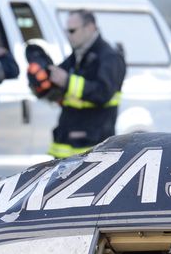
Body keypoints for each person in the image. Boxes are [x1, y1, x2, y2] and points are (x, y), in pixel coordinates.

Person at [41, 9, 126, 159]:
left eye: (72, 31)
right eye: (66, 31)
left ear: (90, 27)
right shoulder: (78, 54)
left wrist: (67, 81)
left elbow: (103, 93)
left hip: (92, 147)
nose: (68, 36)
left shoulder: (109, 57)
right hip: (68, 143)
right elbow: (56, 78)